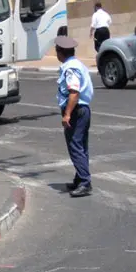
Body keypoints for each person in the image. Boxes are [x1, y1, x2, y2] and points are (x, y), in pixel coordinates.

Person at [55, 35, 94, 197]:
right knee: (81, 146)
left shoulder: (70, 68)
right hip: (83, 110)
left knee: (75, 146)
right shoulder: (77, 64)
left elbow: (74, 92)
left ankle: (85, 182)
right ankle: (79, 178)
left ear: (60, 52)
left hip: (76, 111)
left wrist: (67, 115)